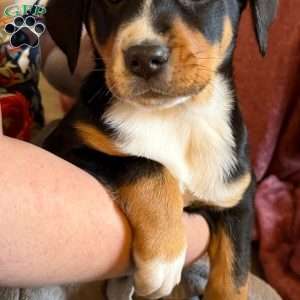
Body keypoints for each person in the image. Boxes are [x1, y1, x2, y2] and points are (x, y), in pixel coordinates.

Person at [0, 6, 210, 287]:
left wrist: (105, 63)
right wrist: (199, 232)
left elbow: (51, 52)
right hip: (32, 216)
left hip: (36, 144)